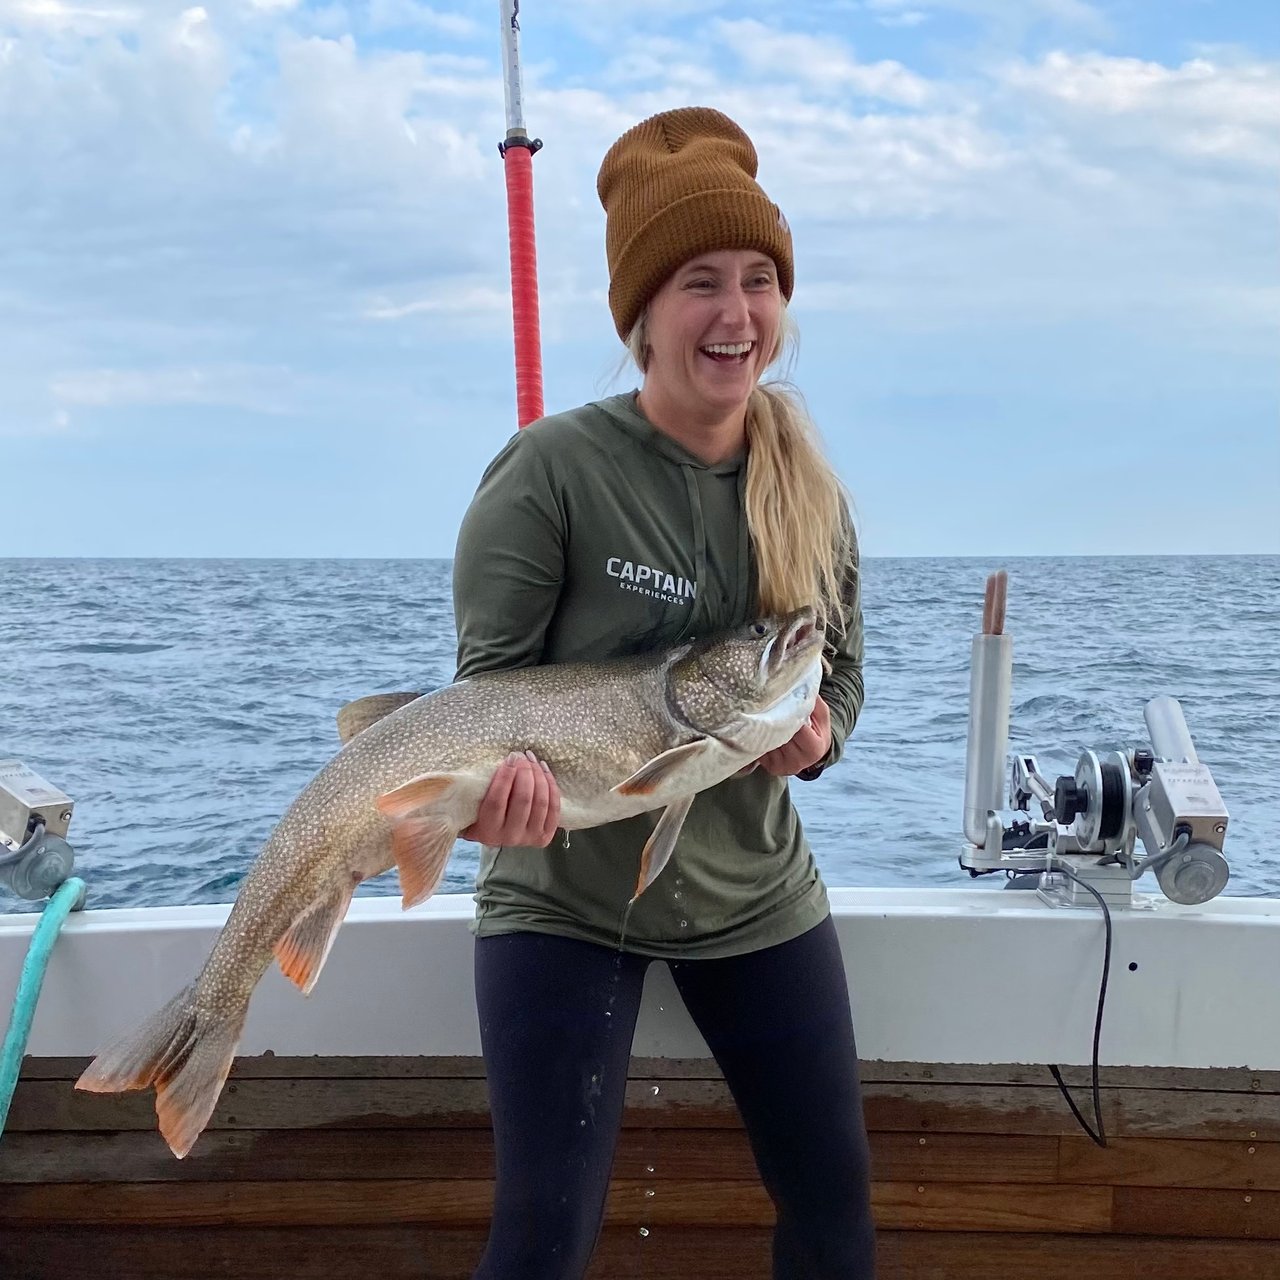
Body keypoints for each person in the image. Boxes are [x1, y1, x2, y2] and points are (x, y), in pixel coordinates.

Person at [451, 106, 876, 1280]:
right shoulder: (549, 473)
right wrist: (494, 798)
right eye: (700, 281)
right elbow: (484, 695)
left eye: (758, 280)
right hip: (563, 897)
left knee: (834, 1212)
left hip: (752, 891)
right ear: (641, 312)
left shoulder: (810, 487)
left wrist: (819, 732)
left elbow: (837, 667)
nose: (736, 315)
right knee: (541, 1236)